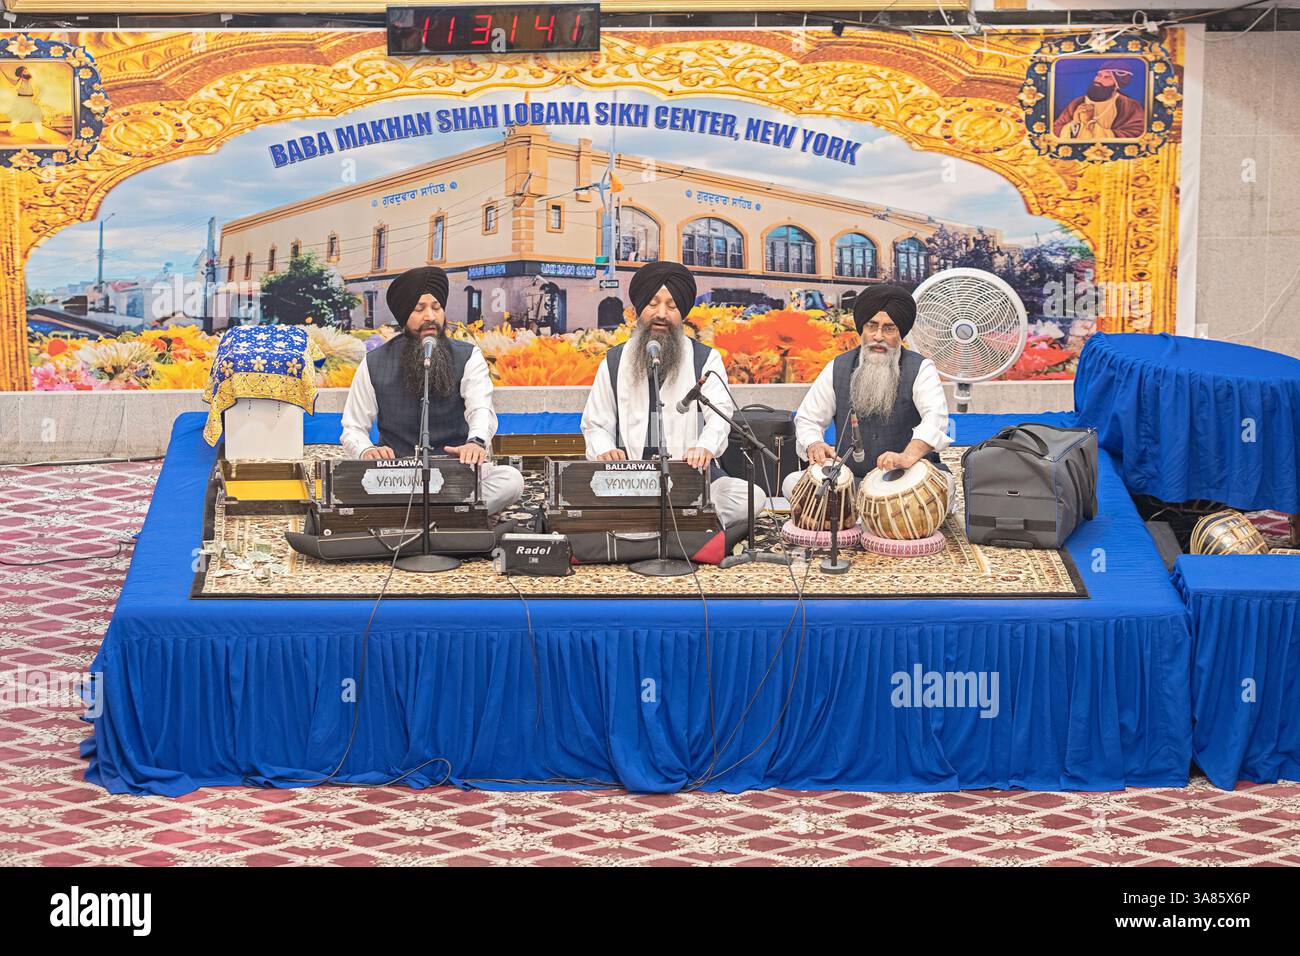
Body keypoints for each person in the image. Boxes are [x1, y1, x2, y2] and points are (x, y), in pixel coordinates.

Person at [580, 260, 766, 529]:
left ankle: (658, 526)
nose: (661, 314)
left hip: (691, 476)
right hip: (630, 478)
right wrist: (605, 449)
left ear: (683, 313)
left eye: (672, 306)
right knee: (579, 497)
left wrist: (705, 447)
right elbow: (595, 423)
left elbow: (720, 418)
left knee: (750, 497)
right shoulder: (614, 360)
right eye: (653, 303)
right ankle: (687, 527)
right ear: (639, 309)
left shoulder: (706, 359)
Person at [340, 266, 524, 514]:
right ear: (405, 315)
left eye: (436, 308)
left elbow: (481, 409)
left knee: (511, 480)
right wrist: (367, 450)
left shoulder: (468, 356)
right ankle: (451, 519)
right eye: (419, 309)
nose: (430, 316)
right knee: (344, 486)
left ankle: (414, 519)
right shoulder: (374, 363)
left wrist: (475, 442)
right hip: (395, 478)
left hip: (456, 474)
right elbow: (353, 427)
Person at [782, 284, 953, 505]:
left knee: (946, 485)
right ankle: (859, 512)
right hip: (850, 478)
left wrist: (907, 456)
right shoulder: (838, 367)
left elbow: (936, 419)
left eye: (889, 328)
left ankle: (858, 515)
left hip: (905, 480)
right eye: (872, 326)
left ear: (901, 332)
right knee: (792, 483)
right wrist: (814, 443)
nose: (878, 336)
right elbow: (808, 418)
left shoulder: (921, 368)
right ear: (862, 328)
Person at [1053, 62, 1145, 141]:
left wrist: (1090, 123)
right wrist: (1075, 123)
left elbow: (1137, 135)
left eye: (1107, 77)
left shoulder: (1130, 106)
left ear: (1116, 85)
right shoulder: (1077, 102)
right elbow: (1055, 131)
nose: (1099, 80)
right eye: (1099, 75)